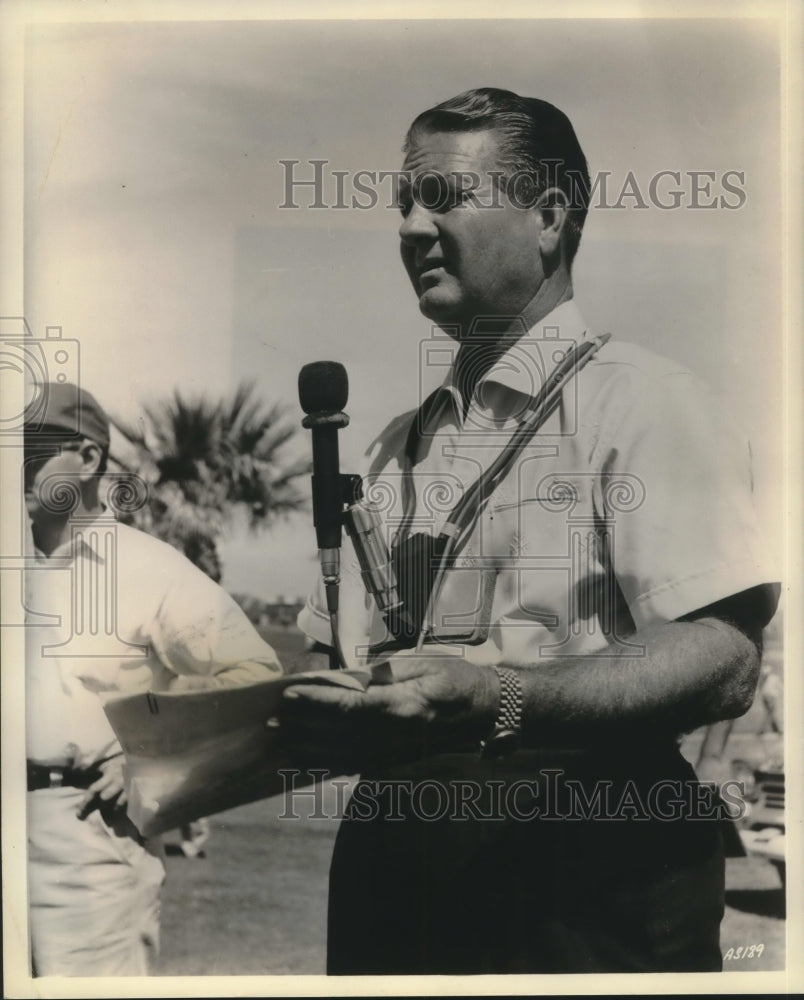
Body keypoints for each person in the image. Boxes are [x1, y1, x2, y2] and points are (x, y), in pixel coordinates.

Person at [283, 88, 780, 974]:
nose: (408, 226)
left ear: (549, 216)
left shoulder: (643, 400)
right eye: (403, 200)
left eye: (442, 196)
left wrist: (500, 697)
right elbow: (345, 662)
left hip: (588, 861)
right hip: (396, 858)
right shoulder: (395, 442)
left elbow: (723, 655)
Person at [24, 381, 283, 976]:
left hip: (85, 835)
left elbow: (254, 675)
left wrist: (152, 752)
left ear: (87, 459)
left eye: (26, 454)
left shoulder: (148, 569)